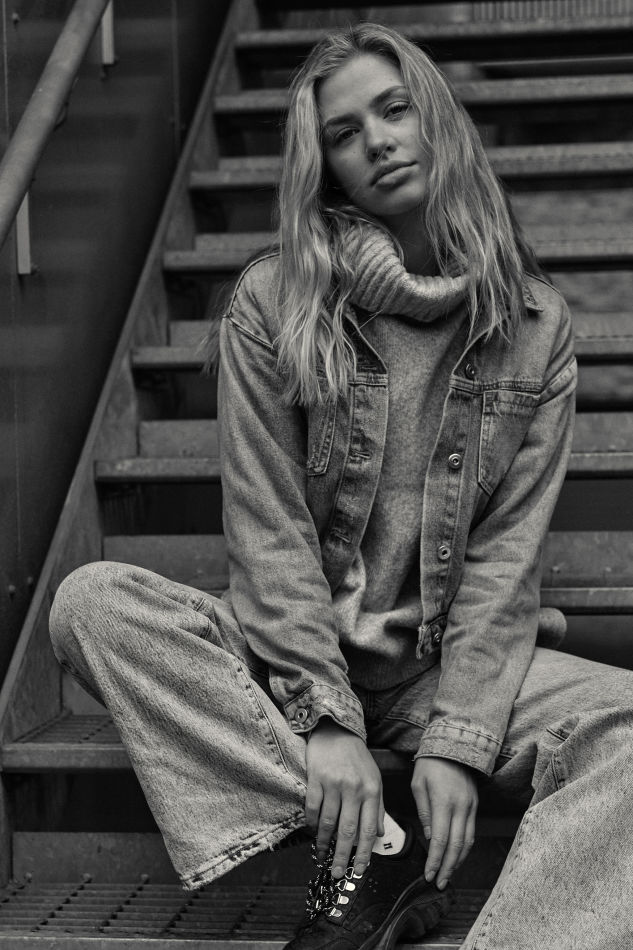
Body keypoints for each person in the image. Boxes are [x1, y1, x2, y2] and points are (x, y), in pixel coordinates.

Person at [49, 22, 633, 950]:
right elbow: (269, 531)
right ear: (325, 168)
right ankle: (380, 840)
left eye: (394, 110)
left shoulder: (534, 325)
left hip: (443, 670)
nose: (379, 142)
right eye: (345, 133)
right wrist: (323, 720)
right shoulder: (274, 304)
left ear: (436, 120)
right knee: (92, 603)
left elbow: (504, 561)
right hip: (292, 662)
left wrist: (457, 741)